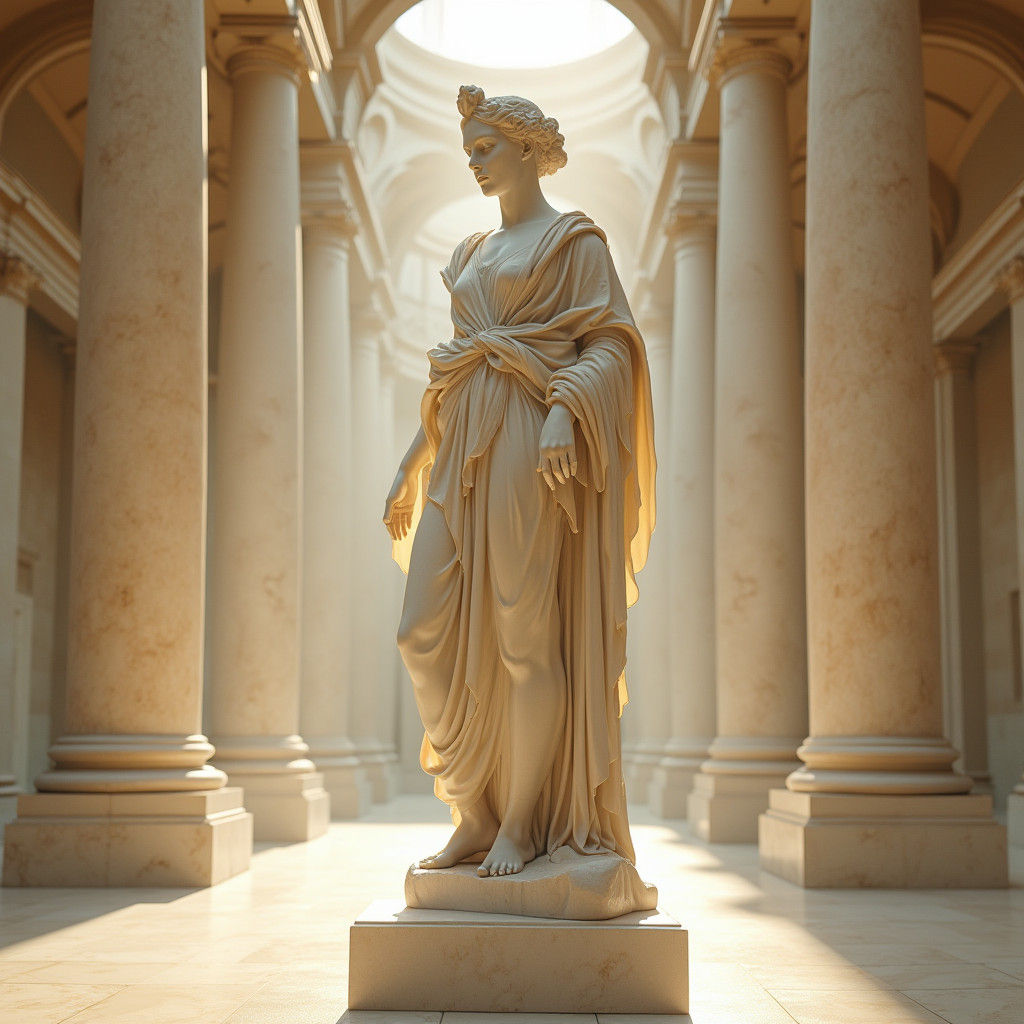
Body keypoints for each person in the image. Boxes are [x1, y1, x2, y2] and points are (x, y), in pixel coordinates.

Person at [383, 84, 655, 879]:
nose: (473, 163)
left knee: (524, 638)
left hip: (530, 444)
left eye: (484, 148)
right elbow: (456, 371)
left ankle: (524, 823)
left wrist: (568, 410)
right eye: (467, 151)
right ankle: (476, 810)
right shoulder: (468, 254)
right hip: (460, 439)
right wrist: (410, 462)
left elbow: (613, 347)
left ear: (527, 149)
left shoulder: (575, 244)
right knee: (420, 632)